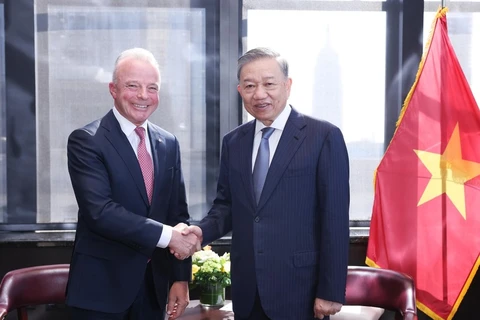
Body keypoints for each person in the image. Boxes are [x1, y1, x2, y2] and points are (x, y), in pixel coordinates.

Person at [182, 47, 350, 319]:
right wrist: (200, 232)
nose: (259, 94)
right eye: (250, 85)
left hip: (301, 291)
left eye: (269, 84)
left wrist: (330, 291)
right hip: (248, 290)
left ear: (287, 85)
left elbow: (335, 219)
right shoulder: (233, 142)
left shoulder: (323, 137)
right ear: (240, 91)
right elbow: (225, 206)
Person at [66, 47, 199, 320]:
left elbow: (178, 214)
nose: (143, 96)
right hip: (101, 291)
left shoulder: (168, 143)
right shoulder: (87, 140)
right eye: (133, 86)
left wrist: (180, 278)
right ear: (113, 89)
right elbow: (100, 212)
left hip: (153, 289)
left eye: (152, 88)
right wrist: (169, 236)